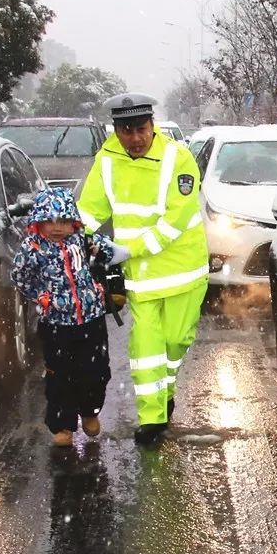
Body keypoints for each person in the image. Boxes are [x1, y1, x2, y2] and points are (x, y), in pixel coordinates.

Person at [77, 92, 210, 446]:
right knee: (146, 345)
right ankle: (152, 417)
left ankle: (164, 392)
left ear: (152, 125)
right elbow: (88, 212)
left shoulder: (177, 158)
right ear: (115, 130)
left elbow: (175, 220)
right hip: (141, 277)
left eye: (141, 129)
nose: (135, 139)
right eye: (126, 130)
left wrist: (127, 249)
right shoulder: (106, 161)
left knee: (175, 341)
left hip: (183, 270)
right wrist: (73, 238)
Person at [11, 187, 128, 447]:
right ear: (38, 221)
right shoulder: (32, 249)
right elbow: (18, 277)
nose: (57, 228)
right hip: (55, 324)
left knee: (95, 371)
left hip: (91, 319)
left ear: (73, 222)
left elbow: (114, 253)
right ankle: (63, 425)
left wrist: (112, 264)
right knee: (59, 375)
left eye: (63, 221)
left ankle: (89, 411)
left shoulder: (81, 241)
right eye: (50, 221)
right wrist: (41, 296)